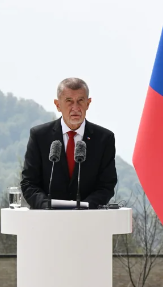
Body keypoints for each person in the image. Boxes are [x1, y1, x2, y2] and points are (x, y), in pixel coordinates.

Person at [21, 78, 117, 209]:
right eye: (69, 101)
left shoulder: (104, 139)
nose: (75, 107)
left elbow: (107, 185)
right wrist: (46, 206)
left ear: (88, 103)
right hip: (47, 217)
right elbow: (29, 183)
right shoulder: (39, 136)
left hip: (88, 217)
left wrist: (85, 207)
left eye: (80, 100)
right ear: (57, 105)